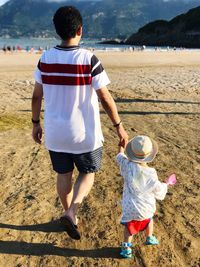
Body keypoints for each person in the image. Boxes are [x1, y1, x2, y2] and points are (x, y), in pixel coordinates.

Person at [31, 6, 128, 240]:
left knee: (63, 175)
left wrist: (35, 123)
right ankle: (72, 210)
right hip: (84, 135)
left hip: (55, 134)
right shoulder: (89, 59)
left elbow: (36, 96)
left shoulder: (45, 58)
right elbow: (105, 97)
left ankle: (68, 214)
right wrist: (118, 126)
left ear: (57, 31)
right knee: (88, 172)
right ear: (80, 30)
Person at [116, 135, 174, 258]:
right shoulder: (151, 174)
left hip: (130, 208)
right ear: (149, 155)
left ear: (131, 153)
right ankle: (149, 237)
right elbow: (159, 190)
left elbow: (119, 158)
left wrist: (121, 147)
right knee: (149, 220)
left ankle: (126, 247)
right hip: (146, 209)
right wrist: (166, 185)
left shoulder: (127, 166)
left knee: (129, 228)